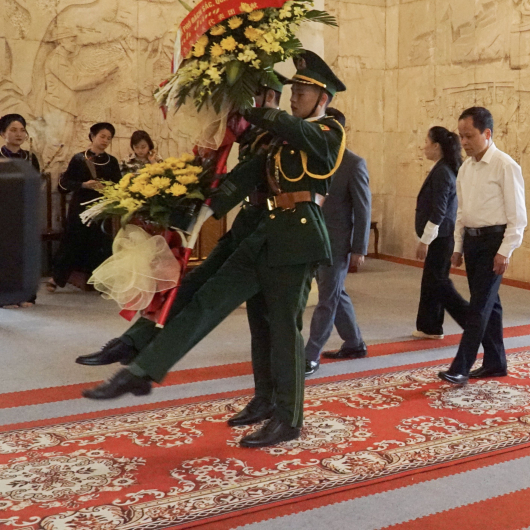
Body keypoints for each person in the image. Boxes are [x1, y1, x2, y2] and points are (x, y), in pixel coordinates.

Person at [82, 52, 347, 450]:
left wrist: (257, 111)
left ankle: (288, 417)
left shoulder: (329, 130)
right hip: (261, 235)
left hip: (297, 239)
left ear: (322, 96)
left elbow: (305, 138)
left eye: (303, 90)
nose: (295, 96)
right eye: (293, 90)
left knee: (283, 331)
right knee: (211, 303)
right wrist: (195, 209)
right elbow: (244, 176)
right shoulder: (277, 138)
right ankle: (141, 372)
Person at [75, 80, 284, 367]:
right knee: (191, 285)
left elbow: (243, 178)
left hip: (270, 233)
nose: (242, 104)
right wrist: (178, 190)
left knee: (219, 305)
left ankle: (143, 357)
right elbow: (218, 168)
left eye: (249, 95)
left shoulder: (281, 135)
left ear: (269, 95)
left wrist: (200, 209)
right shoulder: (252, 133)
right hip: (247, 227)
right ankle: (131, 343)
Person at [437, 107, 526, 385]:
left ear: (487, 134)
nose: (463, 142)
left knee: (479, 307)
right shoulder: (466, 167)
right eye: (461, 136)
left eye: (469, 136)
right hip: (473, 242)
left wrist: (505, 251)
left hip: (494, 243)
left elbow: (518, 217)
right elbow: (462, 212)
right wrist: (458, 246)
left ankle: (461, 366)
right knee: (491, 305)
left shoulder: (505, 165)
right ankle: (495, 362)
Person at [305, 109, 371, 376]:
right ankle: (354, 343)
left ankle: (311, 353)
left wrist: (359, 248)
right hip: (314, 239)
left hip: (338, 242)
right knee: (334, 293)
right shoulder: (312, 160)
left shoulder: (354, 163)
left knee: (327, 299)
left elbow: (363, 208)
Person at [49, 122, 122, 292]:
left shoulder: (112, 162)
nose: (105, 140)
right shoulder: (79, 158)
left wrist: (108, 189)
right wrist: (84, 185)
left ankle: (99, 281)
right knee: (71, 241)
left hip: (102, 207)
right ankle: (57, 277)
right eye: (102, 136)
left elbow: (119, 184)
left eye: (109, 138)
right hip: (80, 206)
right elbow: (65, 183)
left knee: (101, 242)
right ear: (92, 136)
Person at [413, 126, 462, 340]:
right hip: (440, 236)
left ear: (436, 146)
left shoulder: (443, 171)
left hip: (441, 237)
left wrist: (425, 240)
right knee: (433, 281)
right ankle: (429, 326)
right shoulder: (442, 168)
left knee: (437, 282)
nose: (423, 146)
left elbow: (439, 210)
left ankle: (434, 326)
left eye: (426, 141)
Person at [1, 114, 41, 308]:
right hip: (3, 213)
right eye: (13, 130)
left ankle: (26, 296)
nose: (18, 134)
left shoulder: (31, 158)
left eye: (22, 130)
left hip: (25, 213)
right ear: (3, 134)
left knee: (25, 255)